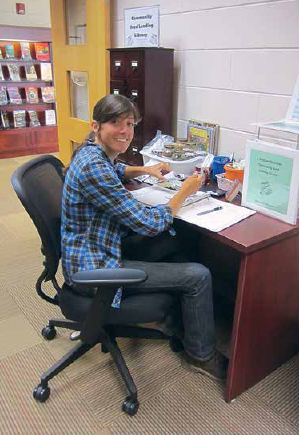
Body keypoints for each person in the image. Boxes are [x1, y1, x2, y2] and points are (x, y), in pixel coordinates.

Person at [61, 94, 228, 380]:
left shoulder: (90, 151)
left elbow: (115, 168)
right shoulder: (93, 168)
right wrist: (184, 193)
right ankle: (202, 355)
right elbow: (149, 222)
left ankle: (176, 320)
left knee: (179, 240)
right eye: (115, 123)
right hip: (96, 267)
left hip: (96, 245)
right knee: (198, 275)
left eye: (129, 123)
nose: (125, 131)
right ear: (96, 126)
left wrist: (144, 169)